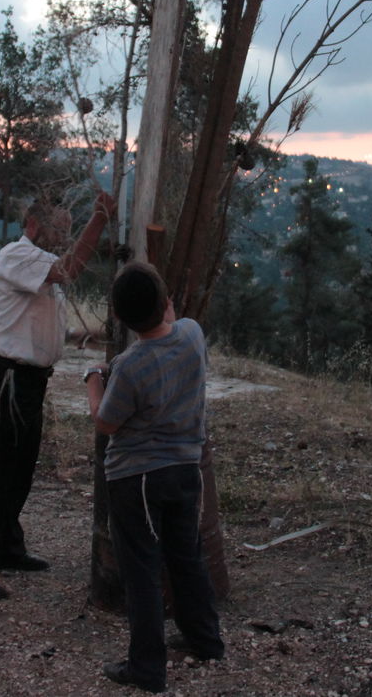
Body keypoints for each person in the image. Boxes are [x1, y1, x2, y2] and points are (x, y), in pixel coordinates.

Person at [0, 191, 116, 602]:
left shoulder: (41, 269)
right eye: (58, 229)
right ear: (33, 228)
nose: (64, 236)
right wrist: (99, 219)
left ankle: (7, 547)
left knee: (19, 470)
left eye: (67, 229)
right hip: (2, 377)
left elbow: (41, 322)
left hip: (27, 380)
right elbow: (70, 267)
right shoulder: (17, 256)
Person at [84, 261, 224, 693]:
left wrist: (92, 379)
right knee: (186, 555)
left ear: (121, 319)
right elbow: (173, 329)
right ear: (167, 303)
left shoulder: (130, 366)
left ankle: (146, 668)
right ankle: (206, 639)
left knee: (141, 570)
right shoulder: (193, 335)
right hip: (186, 470)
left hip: (138, 478)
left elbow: (105, 422)